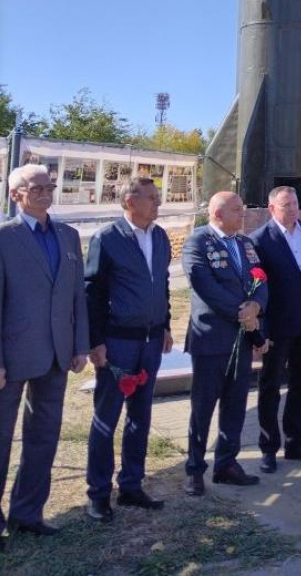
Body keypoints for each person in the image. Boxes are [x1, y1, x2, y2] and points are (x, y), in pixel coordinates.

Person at [0, 164, 89, 540]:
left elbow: (76, 296)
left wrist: (80, 344)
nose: (44, 192)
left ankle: (28, 512)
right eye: (35, 187)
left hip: (56, 353)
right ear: (15, 194)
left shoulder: (67, 236)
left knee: (44, 437)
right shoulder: (5, 237)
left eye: (48, 186)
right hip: (12, 355)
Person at [84, 177, 173, 522]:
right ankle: (98, 493)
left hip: (150, 341)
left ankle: (132, 486)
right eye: (151, 198)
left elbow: (162, 282)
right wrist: (95, 341)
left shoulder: (160, 236)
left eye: (158, 198)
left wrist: (165, 323)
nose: (157, 204)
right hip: (117, 343)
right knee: (107, 416)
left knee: (141, 415)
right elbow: (92, 291)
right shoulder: (108, 238)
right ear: (129, 201)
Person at [182, 192, 269, 495]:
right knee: (202, 408)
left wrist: (256, 307)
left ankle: (226, 464)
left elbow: (261, 280)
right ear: (217, 214)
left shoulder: (245, 244)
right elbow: (204, 285)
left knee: (235, 406)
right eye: (236, 210)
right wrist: (241, 312)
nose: (242, 214)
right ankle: (194, 468)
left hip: (241, 340)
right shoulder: (198, 241)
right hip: (211, 339)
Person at [250, 186, 301, 472]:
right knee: (270, 386)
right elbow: (257, 288)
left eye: (295, 204)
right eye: (286, 206)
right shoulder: (259, 240)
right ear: (272, 209)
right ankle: (268, 447)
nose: (293, 210)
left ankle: (295, 442)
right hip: (277, 326)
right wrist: (262, 329)